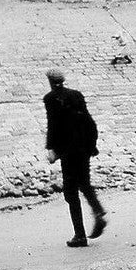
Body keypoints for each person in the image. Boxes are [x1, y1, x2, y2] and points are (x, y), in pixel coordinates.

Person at [43, 69, 107, 247]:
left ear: (50, 81)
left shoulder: (50, 99)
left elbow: (53, 124)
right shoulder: (76, 95)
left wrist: (51, 148)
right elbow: (89, 121)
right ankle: (98, 210)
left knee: (70, 193)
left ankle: (79, 235)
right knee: (84, 183)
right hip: (83, 149)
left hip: (67, 152)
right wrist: (92, 145)